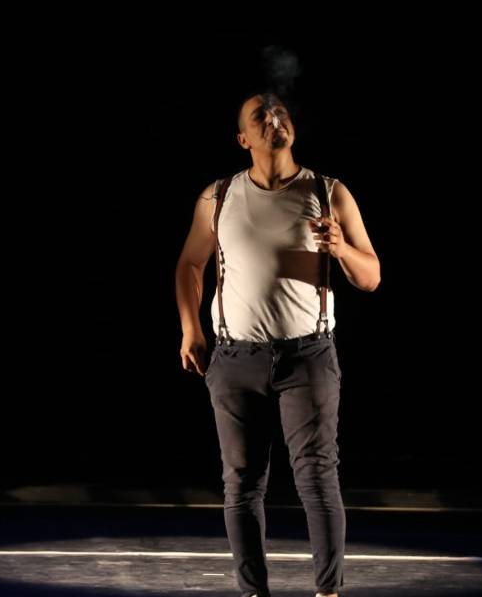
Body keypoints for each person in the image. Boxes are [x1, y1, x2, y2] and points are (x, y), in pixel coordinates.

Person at [175, 92, 380, 597]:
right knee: (242, 483)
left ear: (292, 128)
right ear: (243, 138)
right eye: (260, 117)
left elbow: (371, 276)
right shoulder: (219, 197)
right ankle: (253, 593)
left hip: (307, 357)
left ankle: (328, 592)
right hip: (235, 358)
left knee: (317, 478)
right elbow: (190, 264)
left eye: (280, 113)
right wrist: (191, 329)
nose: (273, 120)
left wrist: (341, 248)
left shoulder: (329, 192)